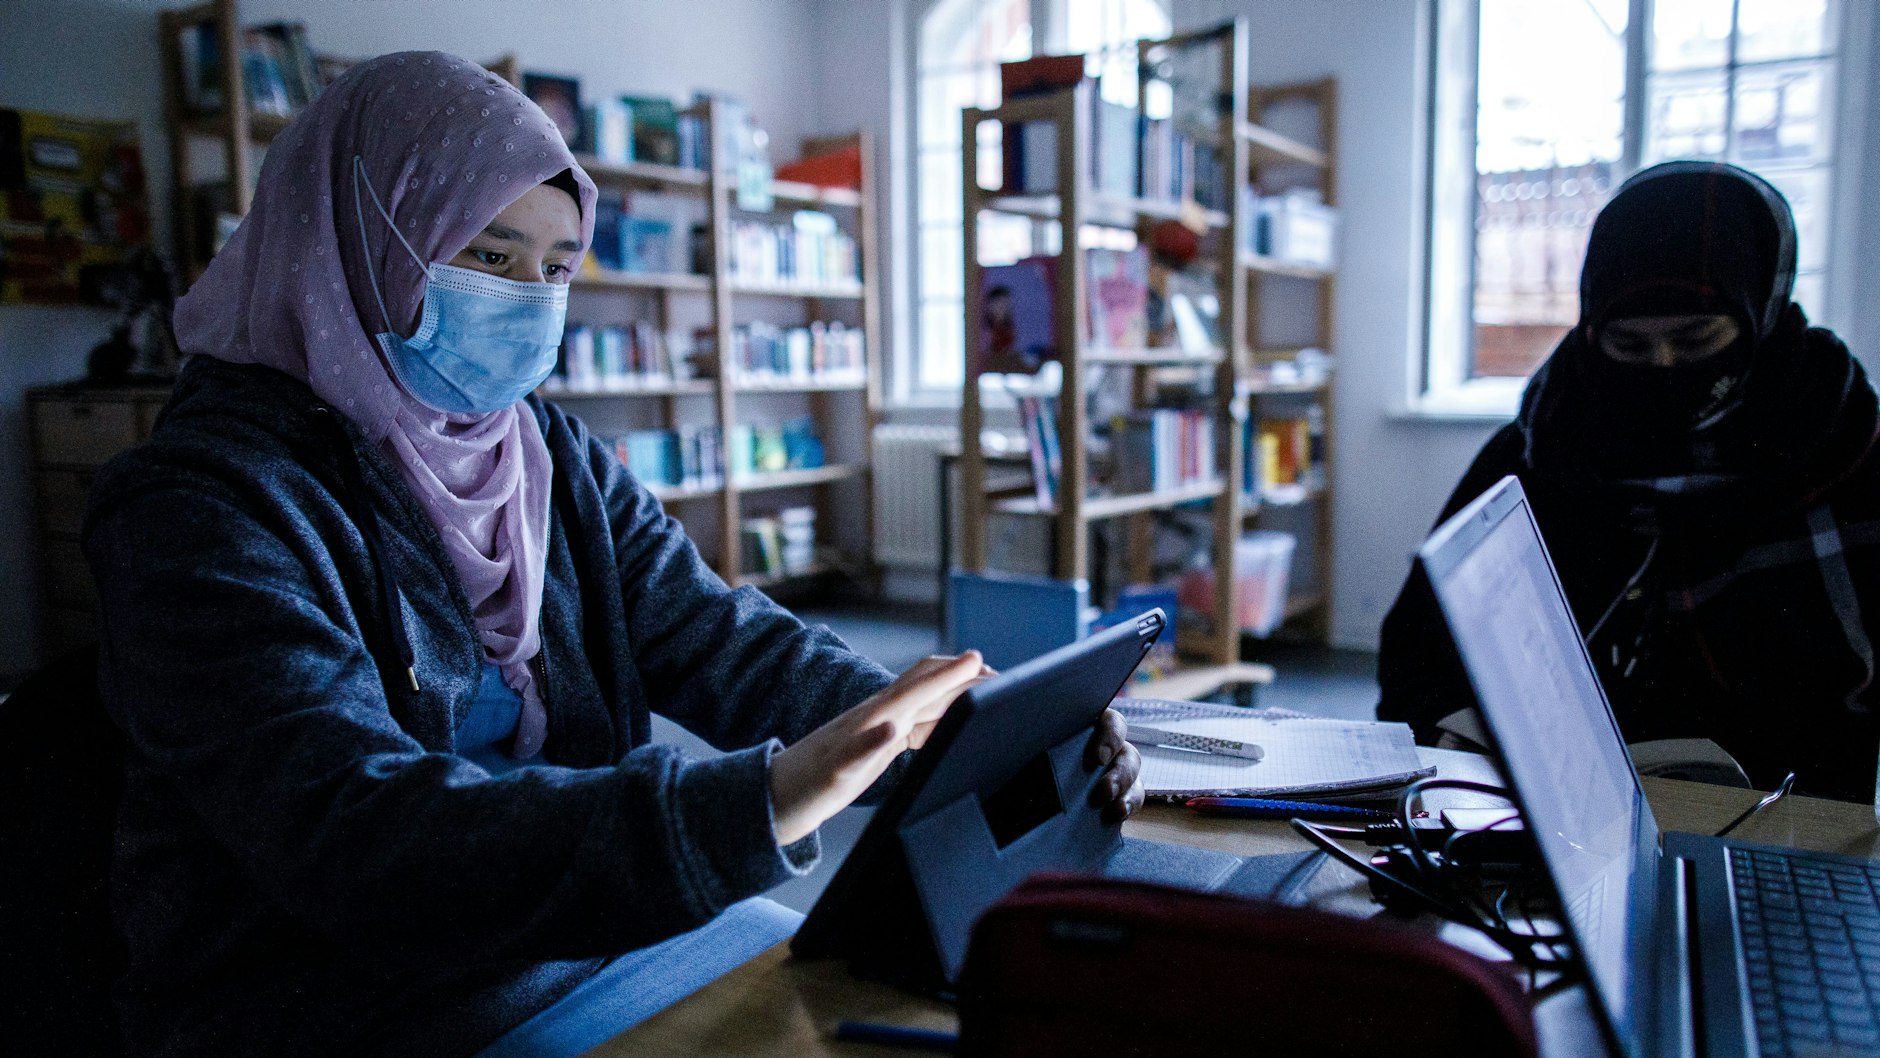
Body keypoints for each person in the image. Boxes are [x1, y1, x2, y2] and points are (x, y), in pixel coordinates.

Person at [81, 53, 1144, 1058]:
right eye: (489, 257)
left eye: (554, 266)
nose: (529, 301)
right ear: (354, 242)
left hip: (590, 943)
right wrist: (759, 798)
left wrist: (965, 734)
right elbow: (354, 836)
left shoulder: (542, 452)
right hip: (341, 1006)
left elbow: (712, 633)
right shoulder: (198, 506)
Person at [1377, 160, 1880, 804]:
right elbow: (1421, 647)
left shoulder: (1845, 448)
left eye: (1697, 340)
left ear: (1762, 317)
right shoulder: (1539, 449)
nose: (1663, 367)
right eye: (1628, 346)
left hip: (1786, 821)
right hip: (1547, 815)